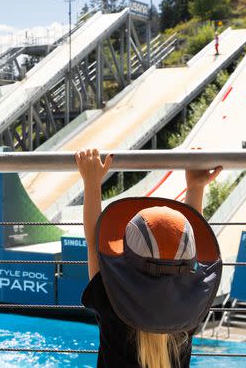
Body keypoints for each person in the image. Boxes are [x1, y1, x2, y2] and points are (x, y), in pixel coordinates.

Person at [76, 149, 223, 368]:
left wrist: (92, 181)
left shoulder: (112, 299)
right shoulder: (190, 308)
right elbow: (181, 250)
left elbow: (92, 243)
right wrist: (196, 188)